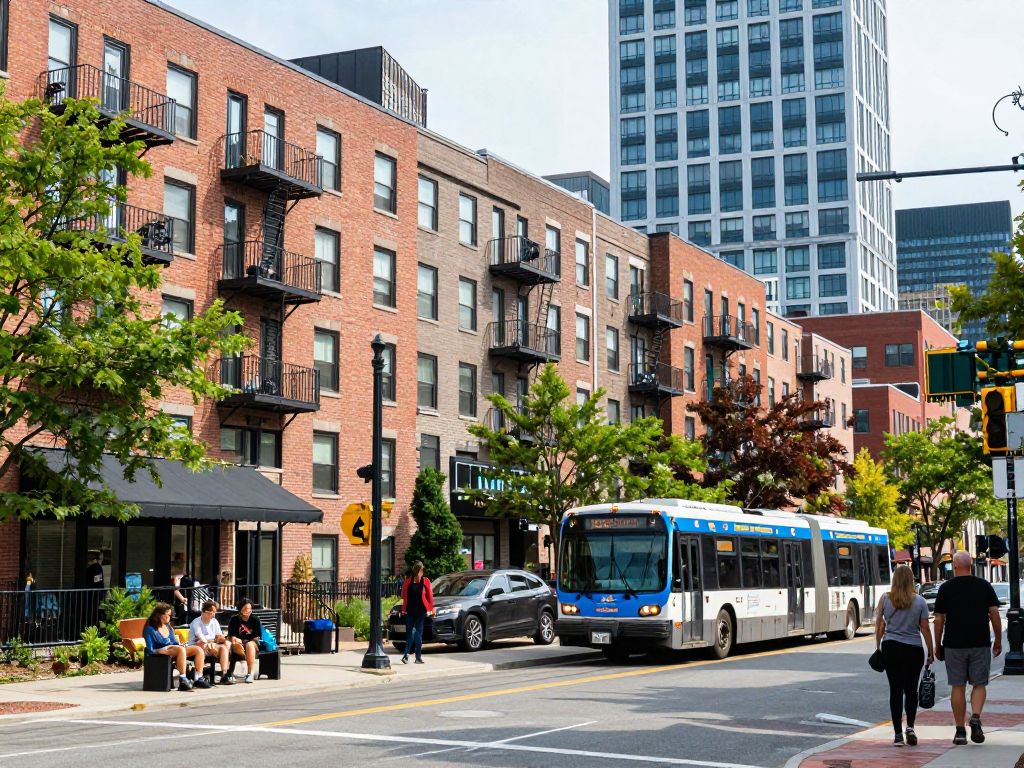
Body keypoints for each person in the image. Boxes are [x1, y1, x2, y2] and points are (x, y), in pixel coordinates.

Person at [933, 550, 1002, 746]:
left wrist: (938, 644)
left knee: (958, 686)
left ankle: (960, 731)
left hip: (954, 644)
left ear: (955, 567)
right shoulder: (983, 586)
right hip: (979, 642)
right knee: (979, 684)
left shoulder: (946, 588)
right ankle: (976, 717)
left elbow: (938, 619)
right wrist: (997, 639)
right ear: (971, 566)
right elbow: (994, 614)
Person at [874, 564, 934, 747]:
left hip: (891, 648)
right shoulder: (920, 601)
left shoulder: (885, 599)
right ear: (911, 580)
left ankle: (898, 734)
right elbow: (924, 628)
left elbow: (879, 625)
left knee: (895, 691)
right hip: (913, 649)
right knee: (911, 690)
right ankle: (910, 727)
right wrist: (931, 651)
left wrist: (878, 646)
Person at [143, 602, 209, 691]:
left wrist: (181, 644)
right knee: (181, 650)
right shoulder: (150, 628)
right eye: (169, 615)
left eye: (171, 615)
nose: (170, 617)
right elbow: (150, 648)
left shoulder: (168, 626)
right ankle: (183, 679)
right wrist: (158, 650)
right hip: (160, 651)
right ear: (160, 615)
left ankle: (198, 677)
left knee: (198, 649)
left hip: (175, 649)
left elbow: (174, 642)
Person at [188, 599, 233, 685]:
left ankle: (224, 674)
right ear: (204, 611)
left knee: (223, 648)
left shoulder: (214, 621)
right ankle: (199, 676)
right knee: (201, 644)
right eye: (211, 612)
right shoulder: (196, 622)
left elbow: (219, 635)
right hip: (197, 645)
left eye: (214, 612)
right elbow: (200, 637)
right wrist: (210, 644)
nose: (213, 614)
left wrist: (221, 639)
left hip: (212, 644)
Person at [399, 561, 434, 665]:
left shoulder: (426, 581)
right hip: (410, 611)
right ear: (418, 571)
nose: (423, 572)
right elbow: (404, 596)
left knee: (417, 633)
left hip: (421, 611)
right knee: (410, 634)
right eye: (421, 570)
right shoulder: (408, 581)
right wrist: (404, 609)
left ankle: (416, 657)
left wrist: (431, 609)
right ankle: (408, 656)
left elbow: (430, 597)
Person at [227, 597, 262, 683]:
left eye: (250, 608)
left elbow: (257, 637)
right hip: (238, 644)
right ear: (240, 609)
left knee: (249, 645)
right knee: (233, 645)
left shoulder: (255, 619)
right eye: (246, 608)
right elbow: (231, 636)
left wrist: (245, 641)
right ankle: (229, 673)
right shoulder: (234, 619)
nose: (248, 611)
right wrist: (235, 639)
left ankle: (250, 674)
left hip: (252, 643)